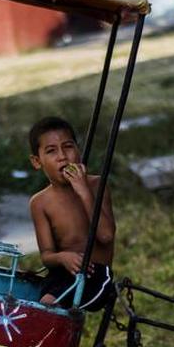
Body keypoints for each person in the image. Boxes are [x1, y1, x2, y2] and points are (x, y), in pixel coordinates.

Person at [27, 117, 117, 311]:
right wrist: (63, 257)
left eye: (68, 147)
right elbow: (47, 256)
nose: (62, 156)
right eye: (51, 151)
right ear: (36, 161)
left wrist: (83, 190)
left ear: (78, 150)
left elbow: (106, 235)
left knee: (50, 306)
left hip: (96, 275)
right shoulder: (40, 203)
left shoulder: (96, 185)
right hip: (63, 274)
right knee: (38, 306)